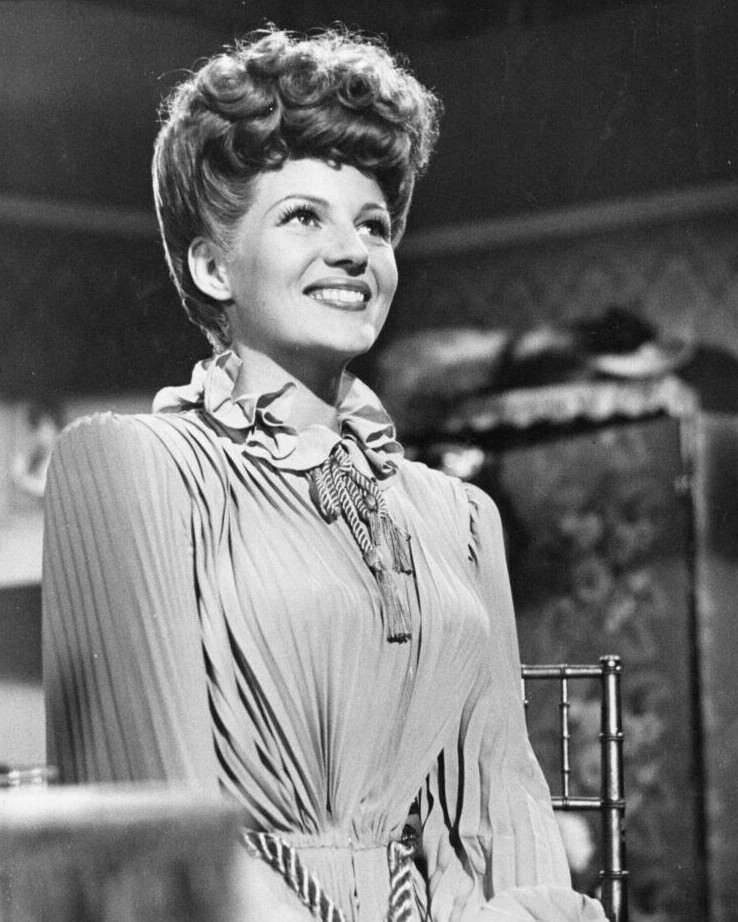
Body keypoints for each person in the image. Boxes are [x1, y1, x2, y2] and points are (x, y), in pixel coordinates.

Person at [42, 27, 607, 922]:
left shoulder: (459, 517)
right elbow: (152, 835)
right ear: (212, 265)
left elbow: (505, 801)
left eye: (373, 225)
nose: (353, 251)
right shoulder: (135, 466)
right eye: (304, 216)